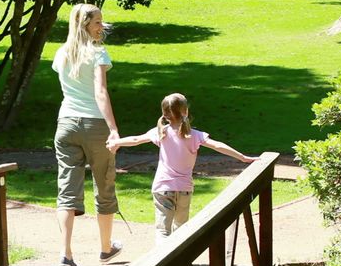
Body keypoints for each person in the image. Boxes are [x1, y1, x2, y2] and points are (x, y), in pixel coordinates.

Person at [106, 93, 259, 244]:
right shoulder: (195, 135)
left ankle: (163, 265)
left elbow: (135, 139)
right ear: (185, 111)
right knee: (181, 229)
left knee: (162, 231)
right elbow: (218, 145)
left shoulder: (161, 133)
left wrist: (116, 142)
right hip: (185, 189)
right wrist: (243, 157)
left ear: (164, 114)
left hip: (162, 188)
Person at [52, 3, 123, 266]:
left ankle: (65, 254)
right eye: (97, 22)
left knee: (67, 189)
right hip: (94, 125)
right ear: (84, 25)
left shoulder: (61, 54)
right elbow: (100, 93)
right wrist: (114, 129)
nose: (101, 27)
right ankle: (106, 248)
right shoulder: (97, 53)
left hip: (66, 124)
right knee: (104, 181)